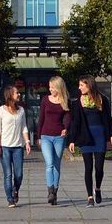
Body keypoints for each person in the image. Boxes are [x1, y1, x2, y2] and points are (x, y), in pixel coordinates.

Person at [67, 77, 112, 207]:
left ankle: (98, 189)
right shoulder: (78, 102)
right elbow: (75, 122)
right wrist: (72, 140)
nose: (79, 88)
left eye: (81, 85)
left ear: (89, 85)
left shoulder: (102, 99)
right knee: (88, 167)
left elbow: (108, 119)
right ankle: (90, 197)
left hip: (99, 135)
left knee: (99, 167)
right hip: (85, 136)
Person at [0, 84, 31, 208]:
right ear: (10, 95)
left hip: (18, 147)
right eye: (17, 93)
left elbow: (24, 127)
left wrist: (27, 142)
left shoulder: (21, 110)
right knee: (8, 174)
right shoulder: (0, 110)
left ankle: (16, 189)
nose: (19, 94)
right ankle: (10, 198)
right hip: (5, 147)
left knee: (19, 174)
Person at [38, 76, 71, 204]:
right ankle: (50, 191)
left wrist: (66, 128)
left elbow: (68, 116)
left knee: (57, 165)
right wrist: (38, 136)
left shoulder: (65, 100)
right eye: (49, 87)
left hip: (59, 136)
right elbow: (41, 118)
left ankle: (55, 192)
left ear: (58, 88)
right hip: (46, 135)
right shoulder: (45, 100)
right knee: (49, 163)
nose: (50, 89)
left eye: (52, 87)